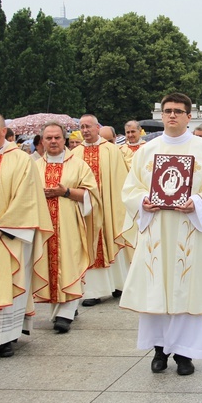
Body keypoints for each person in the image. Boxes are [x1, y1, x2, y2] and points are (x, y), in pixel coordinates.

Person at [120, 92, 202, 376]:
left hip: (189, 230)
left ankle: (185, 354)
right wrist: (142, 202)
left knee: (187, 290)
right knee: (156, 288)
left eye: (178, 111)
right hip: (157, 228)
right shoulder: (148, 150)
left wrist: (198, 203)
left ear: (188, 116)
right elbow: (131, 189)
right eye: (167, 111)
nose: (172, 115)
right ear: (162, 115)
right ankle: (159, 350)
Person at [0, 111, 53, 357]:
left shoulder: (20, 159)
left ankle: (6, 337)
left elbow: (26, 200)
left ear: (3, 132)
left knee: (10, 282)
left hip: (9, 236)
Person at [34, 122, 99, 333]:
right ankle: (61, 308)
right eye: (48, 138)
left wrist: (66, 192)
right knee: (48, 264)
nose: (53, 141)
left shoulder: (78, 165)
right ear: (42, 141)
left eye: (57, 138)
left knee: (69, 262)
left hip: (69, 224)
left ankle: (66, 313)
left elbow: (92, 195)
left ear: (64, 139)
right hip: (43, 225)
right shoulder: (34, 166)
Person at [73, 114, 128, 307]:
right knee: (90, 244)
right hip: (86, 208)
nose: (85, 130)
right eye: (82, 127)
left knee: (112, 237)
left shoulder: (111, 151)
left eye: (88, 126)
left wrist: (118, 205)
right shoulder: (75, 153)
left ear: (98, 128)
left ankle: (119, 284)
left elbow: (121, 179)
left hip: (109, 206)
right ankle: (93, 292)